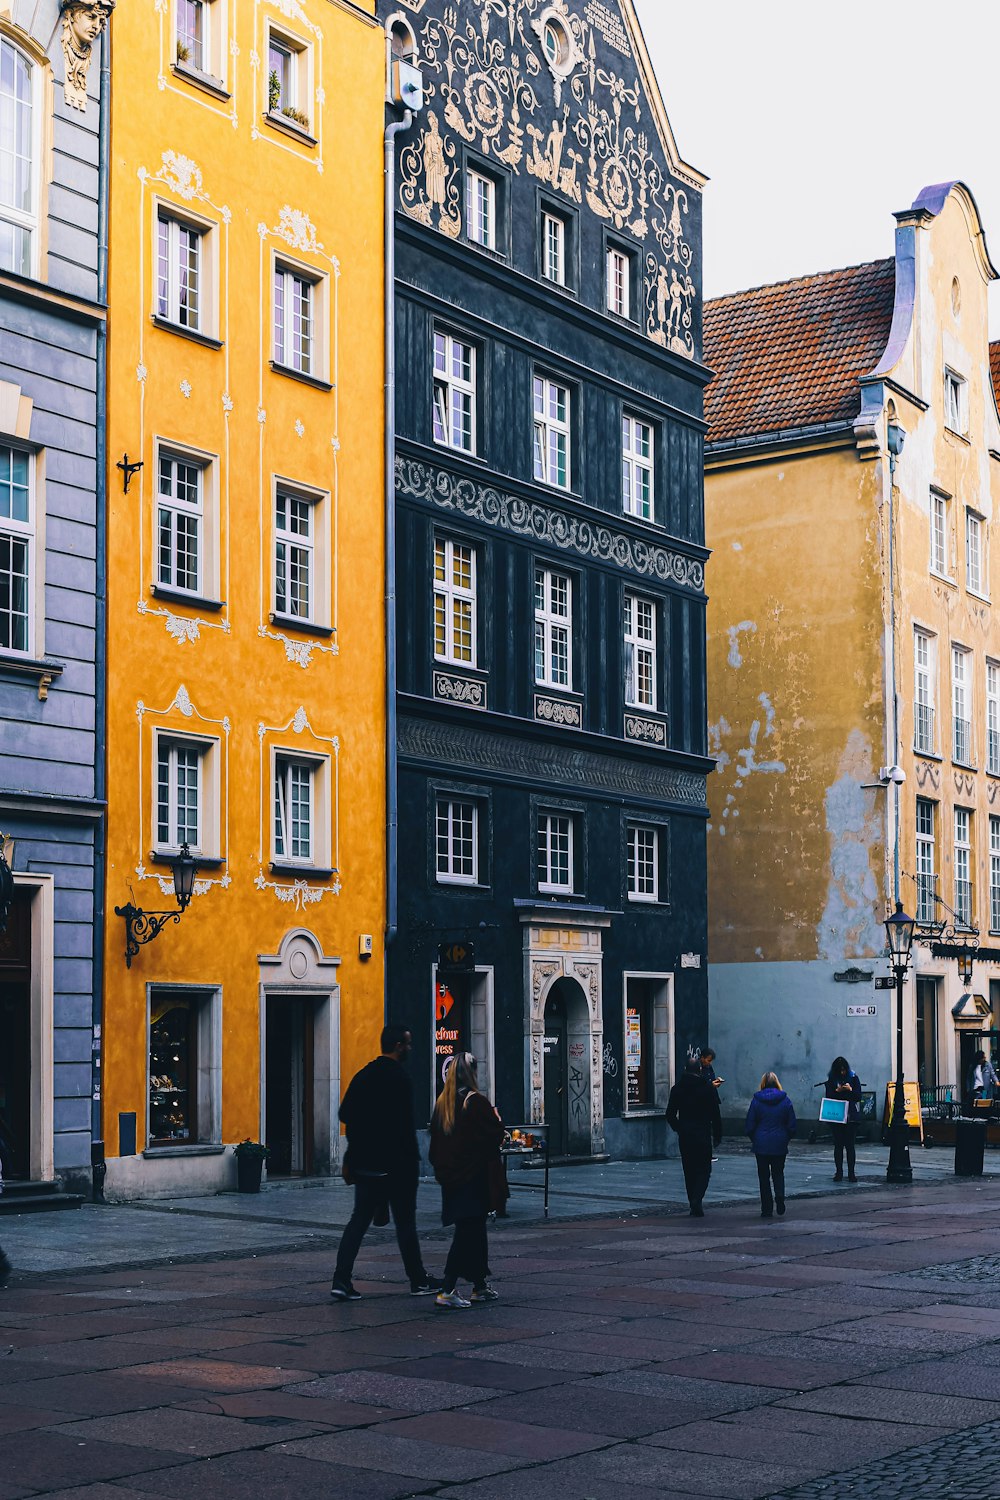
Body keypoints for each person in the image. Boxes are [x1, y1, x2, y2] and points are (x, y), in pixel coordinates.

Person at [330, 1025, 439, 1302]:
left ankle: (341, 1279)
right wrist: (412, 1161)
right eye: (408, 1044)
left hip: (366, 1163)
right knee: (405, 1224)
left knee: (358, 1220)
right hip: (398, 1165)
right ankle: (417, 1279)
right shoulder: (400, 1079)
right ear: (398, 1046)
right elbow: (403, 1127)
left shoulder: (364, 1075)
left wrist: (355, 1152)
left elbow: (345, 1114)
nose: (411, 1049)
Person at [429, 1053, 507, 1309]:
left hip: (451, 1179)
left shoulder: (443, 1103)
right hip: (473, 1179)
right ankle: (447, 1288)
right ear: (472, 1073)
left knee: (475, 1231)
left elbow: (435, 1147)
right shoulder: (476, 1103)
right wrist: (498, 1123)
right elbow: (493, 1135)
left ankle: (479, 1284)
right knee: (467, 1233)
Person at [666, 1059, 722, 1217]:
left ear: (685, 1069)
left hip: (686, 1135)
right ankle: (698, 1198)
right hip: (702, 1133)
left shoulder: (677, 1089)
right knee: (704, 1169)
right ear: (699, 1070)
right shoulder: (707, 1088)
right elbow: (715, 1114)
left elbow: (669, 1114)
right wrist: (717, 1135)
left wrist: (679, 1128)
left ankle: (693, 1200)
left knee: (689, 1169)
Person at [745, 1071, 796, 1218]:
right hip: (779, 1142)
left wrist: (755, 1138)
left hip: (761, 1143)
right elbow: (792, 1125)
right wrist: (786, 1137)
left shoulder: (756, 1100)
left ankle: (766, 1208)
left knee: (763, 1176)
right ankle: (779, 1196)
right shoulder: (785, 1100)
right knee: (778, 1173)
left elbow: (749, 1124)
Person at [825, 1056, 862, 1183]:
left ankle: (851, 1173)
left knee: (850, 1145)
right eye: (839, 1070)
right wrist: (838, 1090)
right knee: (838, 1145)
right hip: (837, 1115)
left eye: (844, 1070)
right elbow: (828, 1096)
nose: (842, 1073)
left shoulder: (853, 1078)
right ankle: (839, 1172)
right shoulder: (831, 1080)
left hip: (851, 1116)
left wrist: (850, 1090)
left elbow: (858, 1096)